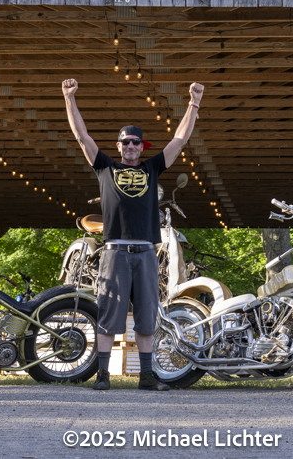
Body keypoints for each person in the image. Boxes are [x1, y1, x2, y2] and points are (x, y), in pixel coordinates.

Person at [62, 78, 204, 391]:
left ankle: (146, 376)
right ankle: (102, 375)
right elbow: (81, 136)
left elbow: (179, 140)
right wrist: (69, 97)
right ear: (118, 146)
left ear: (142, 147)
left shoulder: (151, 169)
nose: (130, 146)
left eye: (135, 143)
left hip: (146, 253)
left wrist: (194, 103)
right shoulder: (104, 167)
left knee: (146, 315)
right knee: (109, 314)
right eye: (125, 142)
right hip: (114, 252)